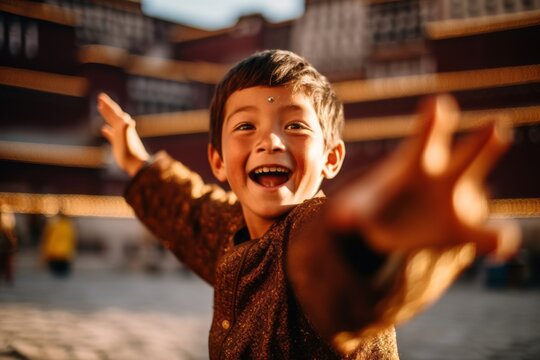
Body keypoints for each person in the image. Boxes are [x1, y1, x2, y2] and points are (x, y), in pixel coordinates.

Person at [98, 50, 520, 359]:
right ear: (218, 161)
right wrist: (136, 161)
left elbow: (333, 266)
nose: (270, 140)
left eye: (296, 125)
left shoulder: (311, 234)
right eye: (246, 125)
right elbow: (188, 211)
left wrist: (368, 244)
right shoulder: (229, 236)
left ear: (331, 158)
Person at [41, 211, 77, 277]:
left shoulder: (53, 225)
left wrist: (45, 253)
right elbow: (72, 240)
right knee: (63, 276)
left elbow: (47, 239)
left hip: (54, 253)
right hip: (64, 254)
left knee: (54, 276)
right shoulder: (69, 226)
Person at [0, 200, 17, 286]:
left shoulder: (6, 215)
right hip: (7, 247)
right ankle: (7, 278)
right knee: (7, 264)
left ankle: (8, 278)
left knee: (7, 264)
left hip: (6, 247)